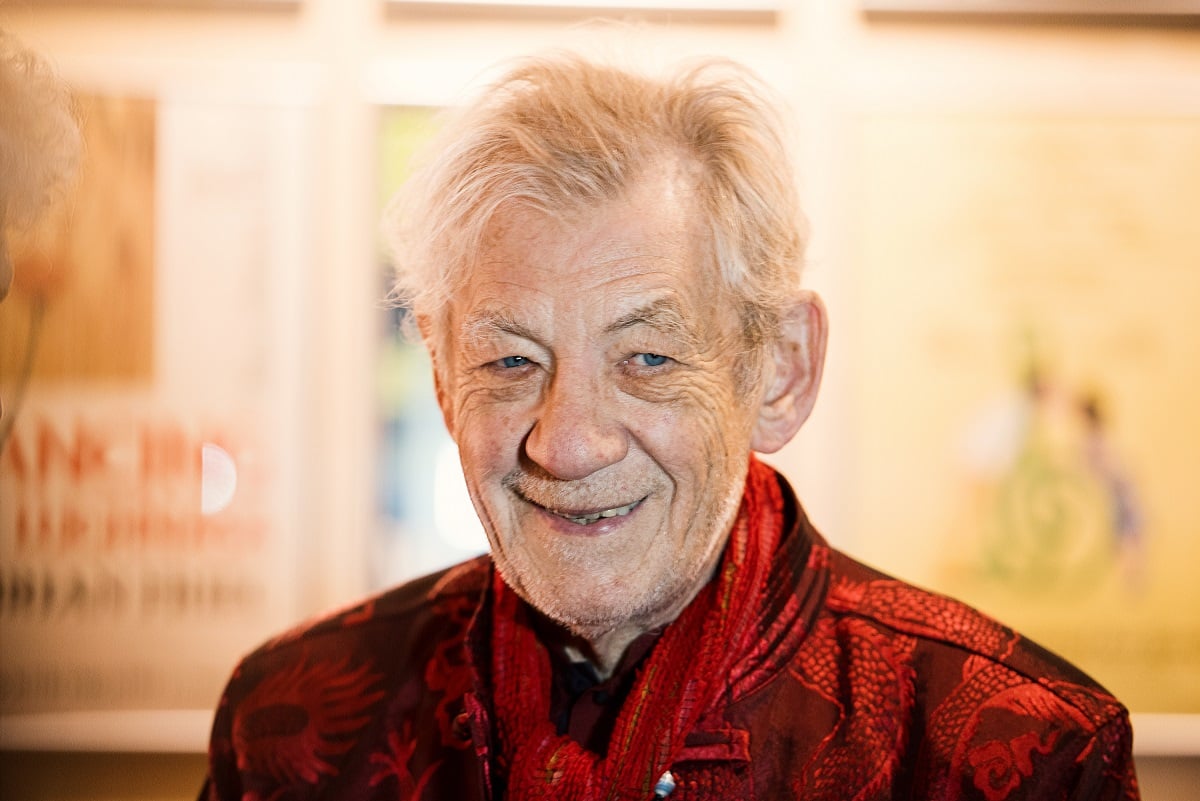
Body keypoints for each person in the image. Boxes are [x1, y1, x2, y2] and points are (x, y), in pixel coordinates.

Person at [200, 52, 1139, 800]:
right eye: (511, 361)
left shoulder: (1014, 753)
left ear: (780, 369)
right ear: (442, 379)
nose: (567, 444)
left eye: (647, 358)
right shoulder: (291, 727)